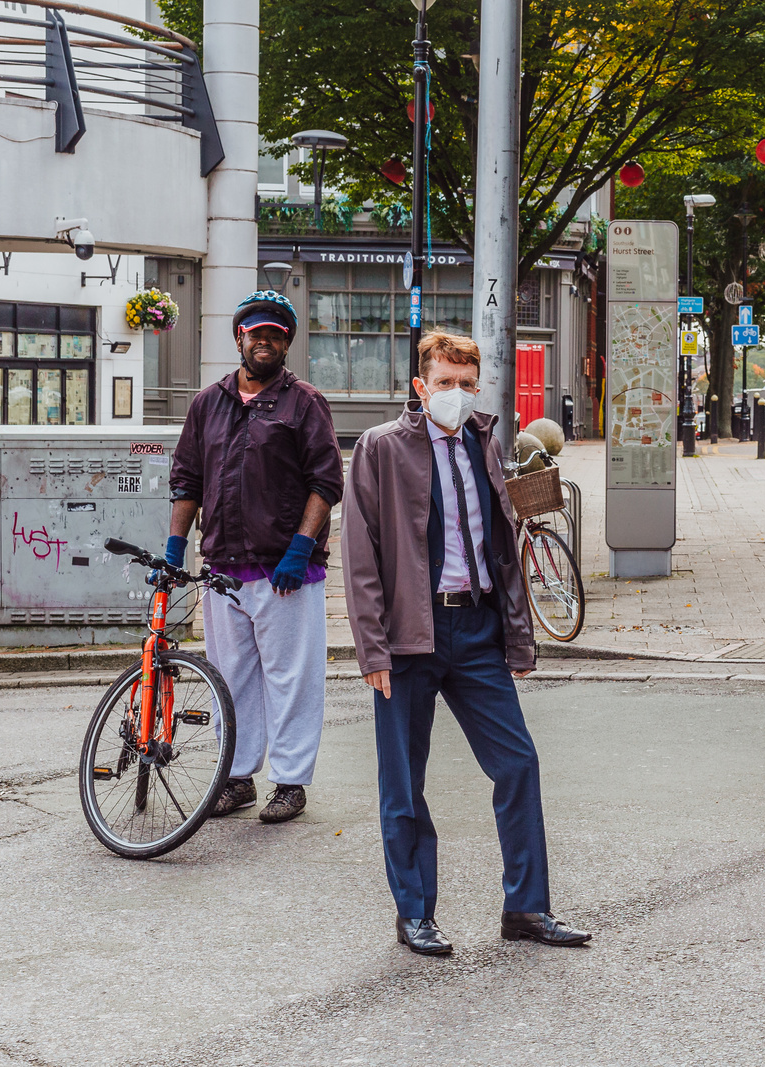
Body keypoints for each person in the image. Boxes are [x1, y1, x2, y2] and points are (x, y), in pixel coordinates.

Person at [341, 331, 590, 957]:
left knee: (518, 763)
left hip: (475, 629)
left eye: (466, 383)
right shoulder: (380, 448)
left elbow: (502, 544)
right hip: (408, 635)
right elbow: (361, 556)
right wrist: (372, 648)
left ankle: (527, 908)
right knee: (404, 780)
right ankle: (415, 913)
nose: (456, 394)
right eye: (444, 383)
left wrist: (517, 638)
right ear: (420, 387)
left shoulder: (485, 440)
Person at [167, 290, 342, 824]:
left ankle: (289, 782)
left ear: (287, 341)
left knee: (291, 677)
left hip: (285, 569)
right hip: (224, 566)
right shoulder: (208, 402)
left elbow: (326, 480)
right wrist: (176, 546)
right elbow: (187, 478)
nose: (264, 339)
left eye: (276, 333)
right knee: (233, 675)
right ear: (239, 337)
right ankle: (237, 777)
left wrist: (300, 547)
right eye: (255, 331)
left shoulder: (304, 401)